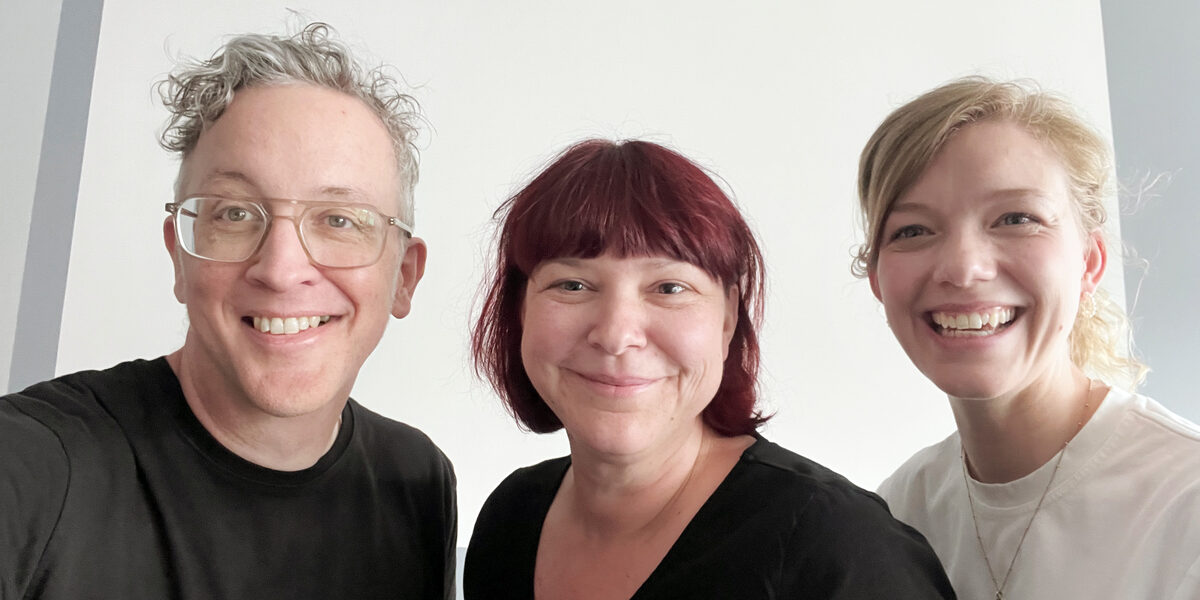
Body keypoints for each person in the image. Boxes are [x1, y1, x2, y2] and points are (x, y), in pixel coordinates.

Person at [0, 23, 456, 599]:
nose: (282, 269)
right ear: (179, 256)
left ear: (404, 278)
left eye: (340, 220)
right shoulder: (36, 464)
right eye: (235, 214)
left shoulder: (418, 483)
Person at [464, 139, 955, 599]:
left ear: (728, 318)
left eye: (669, 288)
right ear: (521, 311)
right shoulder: (511, 522)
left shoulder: (838, 546)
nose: (615, 334)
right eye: (572, 285)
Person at [856, 76, 1200, 599]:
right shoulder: (897, 514)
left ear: (1089, 262)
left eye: (1016, 219)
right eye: (912, 231)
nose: (963, 268)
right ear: (878, 279)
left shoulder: (1184, 501)